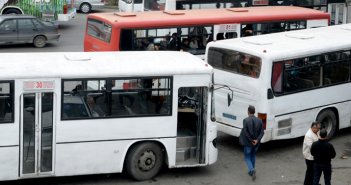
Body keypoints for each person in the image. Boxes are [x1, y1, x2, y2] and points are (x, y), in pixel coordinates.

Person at [239, 105, 264, 181]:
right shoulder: (260, 120)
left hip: (248, 143)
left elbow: (246, 133)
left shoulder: (245, 120)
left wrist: (251, 140)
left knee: (247, 157)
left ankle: (252, 170)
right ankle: (251, 171)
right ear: (254, 112)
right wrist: (257, 140)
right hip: (256, 143)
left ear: (248, 112)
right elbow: (262, 132)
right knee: (253, 155)